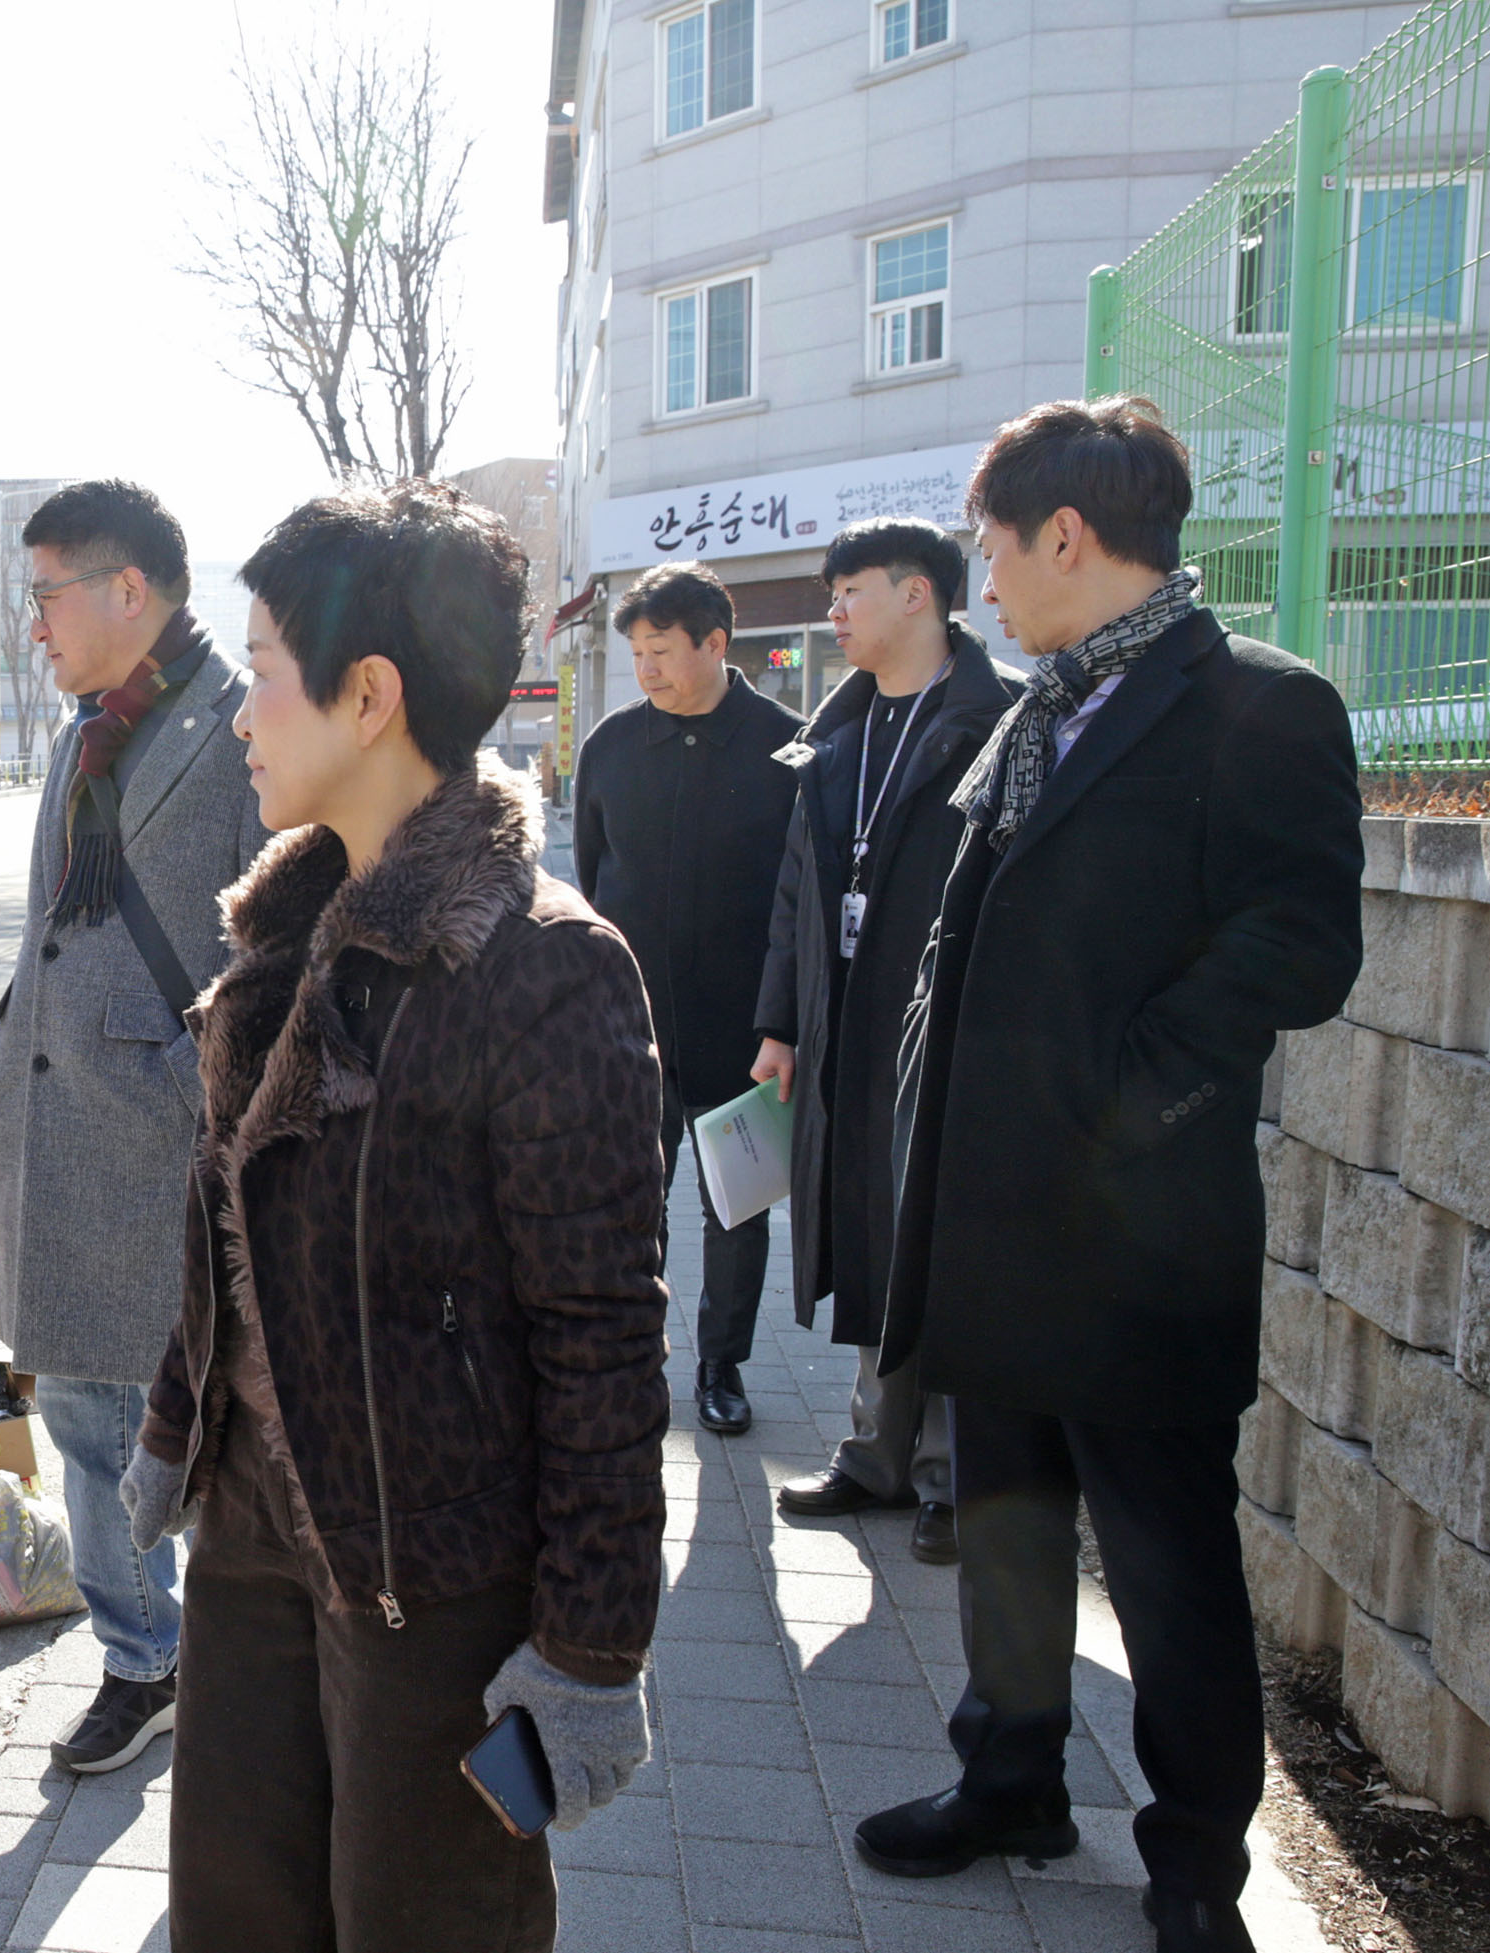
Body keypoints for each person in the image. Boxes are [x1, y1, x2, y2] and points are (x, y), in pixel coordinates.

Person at [122, 483, 667, 1951]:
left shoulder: (545, 968)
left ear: (370, 696)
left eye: (264, 671)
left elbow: (601, 1336)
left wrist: (594, 1647)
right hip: (252, 1541)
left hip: (431, 1577)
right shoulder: (283, 936)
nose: (240, 712)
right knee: (239, 1909)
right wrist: (176, 1429)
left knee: (423, 1922)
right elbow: (222, 1232)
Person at [857, 400, 1362, 1953]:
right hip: (993, 1221)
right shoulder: (1034, 706)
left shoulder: (1261, 707)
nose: (983, 581)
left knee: (1164, 1563)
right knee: (1002, 1519)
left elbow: (1298, 941)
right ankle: (1008, 1775)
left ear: (1066, 536)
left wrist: (1133, 1099)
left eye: (993, 548)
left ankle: (1197, 1868)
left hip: (1138, 1231)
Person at [0, 478, 269, 1773]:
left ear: (129, 591)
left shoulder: (235, 725)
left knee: (173, 1416)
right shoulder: (86, 731)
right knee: (86, 1414)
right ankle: (140, 1651)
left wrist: (187, 1071)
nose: (33, 622)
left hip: (165, 1133)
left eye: (48, 594)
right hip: (64, 1127)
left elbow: (286, 931)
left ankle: (195, 1655)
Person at [751, 519, 1021, 1565]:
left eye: (847, 591)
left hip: (946, 1024)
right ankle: (877, 1453)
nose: (834, 612)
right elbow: (794, 892)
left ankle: (955, 1475)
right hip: (843, 1022)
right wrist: (778, 1022)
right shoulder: (837, 729)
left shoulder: (996, 721)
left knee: (939, 1241)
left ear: (918, 595)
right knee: (869, 1227)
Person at [573, 561, 801, 1435]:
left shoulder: (787, 746)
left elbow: (796, 909)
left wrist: (780, 1023)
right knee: (629, 1202)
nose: (647, 670)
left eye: (662, 651)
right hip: (630, 1034)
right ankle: (639, 1357)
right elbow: (593, 888)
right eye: (636, 652)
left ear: (716, 643)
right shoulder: (610, 747)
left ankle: (722, 1364)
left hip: (743, 1036)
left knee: (735, 1209)